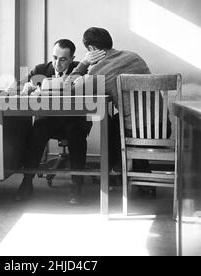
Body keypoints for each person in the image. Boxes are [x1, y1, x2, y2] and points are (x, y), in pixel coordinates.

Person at [66, 27, 171, 175]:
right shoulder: (134, 57)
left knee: (109, 125)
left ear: (91, 48)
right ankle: (135, 177)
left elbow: (68, 88)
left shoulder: (100, 71)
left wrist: (84, 62)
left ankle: (112, 174)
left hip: (137, 133)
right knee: (117, 121)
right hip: (163, 129)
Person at [16, 39, 94, 204]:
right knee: (36, 131)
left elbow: (94, 95)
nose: (57, 63)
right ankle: (27, 181)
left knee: (77, 134)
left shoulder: (81, 69)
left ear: (72, 58)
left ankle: (76, 185)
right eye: (54, 57)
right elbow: (18, 90)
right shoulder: (40, 70)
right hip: (48, 121)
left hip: (73, 120)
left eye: (63, 59)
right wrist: (26, 90)